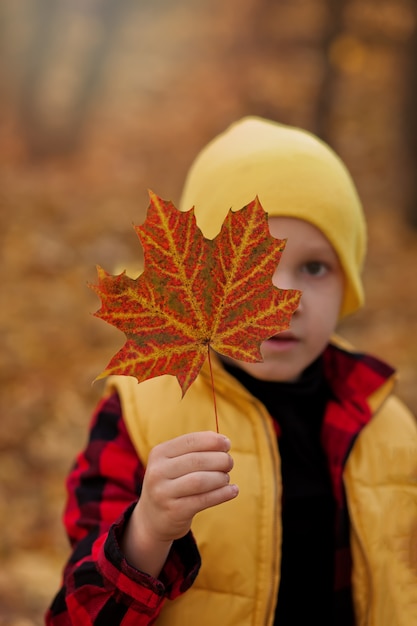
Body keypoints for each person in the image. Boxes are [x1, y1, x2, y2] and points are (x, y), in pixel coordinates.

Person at [46, 117, 417, 626]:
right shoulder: (137, 417)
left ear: (348, 283)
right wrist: (149, 531)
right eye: (254, 270)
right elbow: (75, 616)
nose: (285, 304)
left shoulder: (391, 429)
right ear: (196, 284)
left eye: (314, 268)